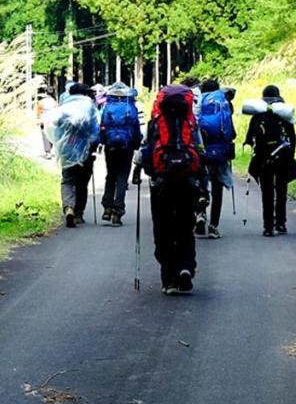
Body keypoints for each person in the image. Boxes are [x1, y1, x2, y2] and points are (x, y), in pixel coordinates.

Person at [135, 84, 206, 294]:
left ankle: (170, 280)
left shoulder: (155, 123)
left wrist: (140, 172)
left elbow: (146, 151)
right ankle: (186, 267)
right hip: (187, 182)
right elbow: (201, 152)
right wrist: (202, 182)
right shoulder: (191, 123)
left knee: (163, 229)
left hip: (161, 184)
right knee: (185, 227)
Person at [246, 85, 296, 236]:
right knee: (281, 190)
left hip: (263, 158)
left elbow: (250, 138)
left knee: (267, 192)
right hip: (283, 157)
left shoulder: (258, 115)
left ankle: (268, 227)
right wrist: (291, 155)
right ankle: (281, 223)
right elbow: (292, 137)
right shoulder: (284, 114)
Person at [48, 82, 99, 228]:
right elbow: (95, 132)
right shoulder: (90, 108)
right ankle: (78, 214)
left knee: (68, 181)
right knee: (82, 183)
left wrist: (59, 146)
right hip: (86, 152)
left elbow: (56, 130)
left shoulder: (63, 109)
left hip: (66, 151)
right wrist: (93, 146)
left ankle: (68, 207)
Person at [195, 79, 236, 238]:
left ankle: (200, 212)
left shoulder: (197, 102)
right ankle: (213, 226)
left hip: (201, 150)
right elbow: (231, 132)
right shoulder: (223, 103)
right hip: (219, 150)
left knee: (201, 182)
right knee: (217, 187)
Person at [98, 82, 142, 227]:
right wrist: (136, 144)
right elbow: (136, 128)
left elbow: (103, 127)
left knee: (110, 175)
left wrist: (103, 142)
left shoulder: (107, 107)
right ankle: (118, 211)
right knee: (122, 177)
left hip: (110, 146)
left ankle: (107, 207)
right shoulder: (131, 107)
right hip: (126, 146)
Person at [36, 87, 59, 159]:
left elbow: (39, 111)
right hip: (52, 120)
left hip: (44, 120)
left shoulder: (41, 102)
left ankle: (48, 152)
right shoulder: (54, 102)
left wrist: (38, 119)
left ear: (46, 93)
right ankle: (50, 148)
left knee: (45, 135)